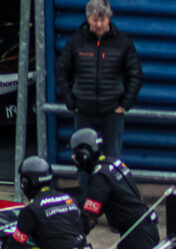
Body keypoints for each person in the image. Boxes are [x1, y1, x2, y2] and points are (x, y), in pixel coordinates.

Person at [54, 0, 143, 189]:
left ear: (109, 19)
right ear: (88, 19)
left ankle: (112, 206)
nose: (99, 25)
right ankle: (88, 208)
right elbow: (62, 72)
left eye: (103, 20)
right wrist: (71, 102)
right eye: (95, 20)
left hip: (113, 112)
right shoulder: (76, 42)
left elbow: (135, 75)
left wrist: (124, 105)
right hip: (84, 112)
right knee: (84, 161)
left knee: (113, 162)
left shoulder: (123, 43)